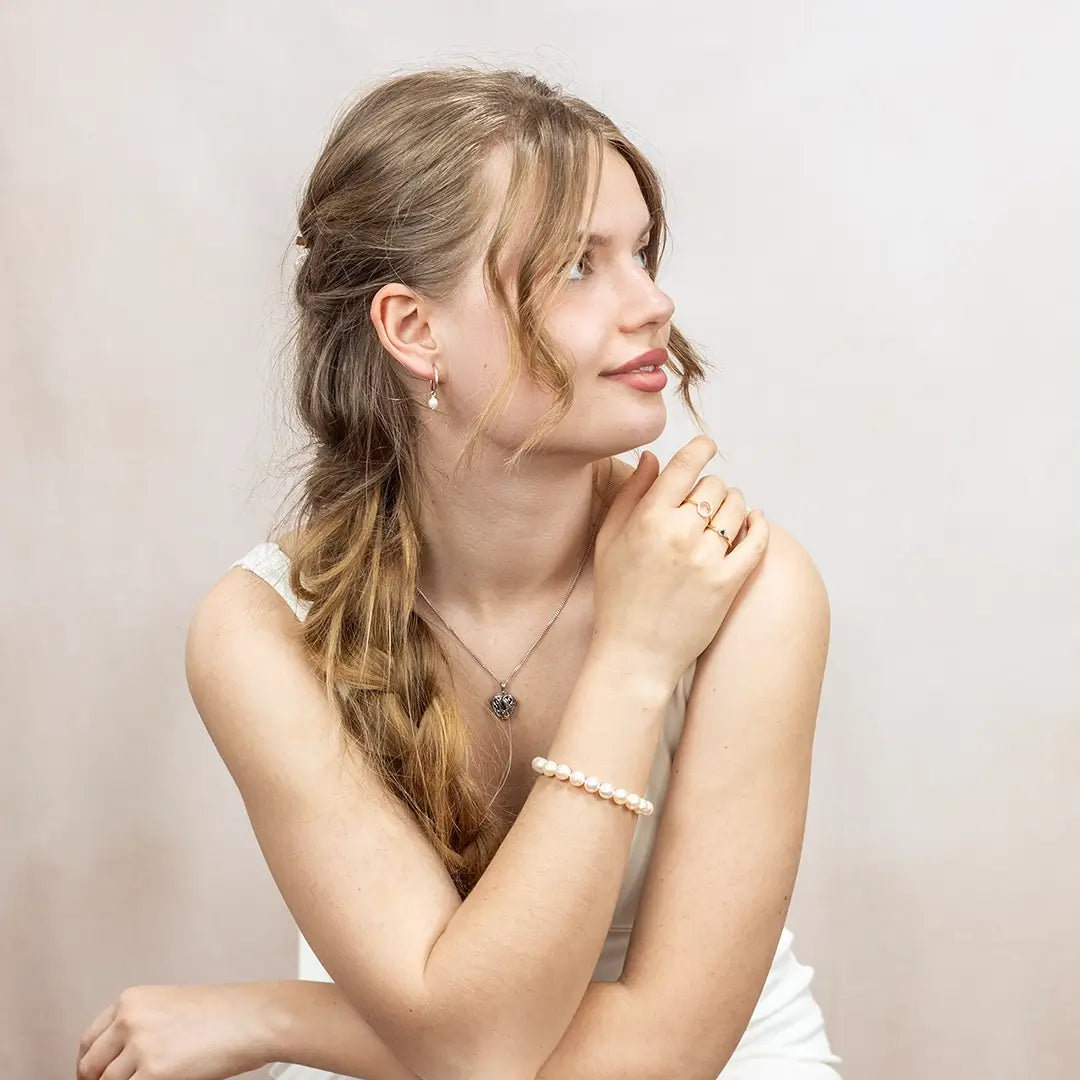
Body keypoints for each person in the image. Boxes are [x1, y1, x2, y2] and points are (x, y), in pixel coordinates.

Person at [77, 65, 842, 1080]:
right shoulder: (262, 629)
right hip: (417, 1048)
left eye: (642, 253)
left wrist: (281, 1018)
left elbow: (669, 1050)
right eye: (578, 264)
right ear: (412, 329)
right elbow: (470, 1043)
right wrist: (635, 655)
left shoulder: (750, 590)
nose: (652, 303)